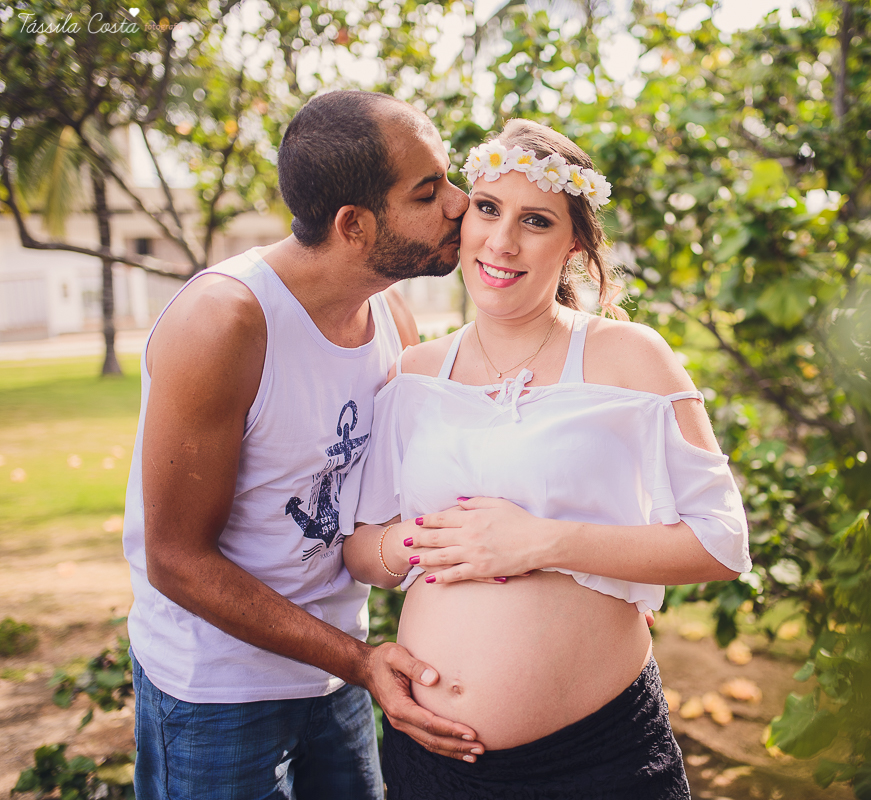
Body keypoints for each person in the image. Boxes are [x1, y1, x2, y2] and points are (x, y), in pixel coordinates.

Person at [347, 119, 752, 799]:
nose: (502, 241)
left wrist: (542, 542)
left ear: (574, 244)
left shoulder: (630, 358)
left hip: (597, 761)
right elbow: (362, 551)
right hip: (431, 758)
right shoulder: (415, 373)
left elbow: (722, 542)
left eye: (535, 220)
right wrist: (429, 540)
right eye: (487, 209)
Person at [121, 90, 487, 800]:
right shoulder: (224, 322)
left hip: (337, 675)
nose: (460, 203)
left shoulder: (391, 317)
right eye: (427, 191)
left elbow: (385, 510)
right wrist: (359, 660)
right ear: (354, 225)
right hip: (216, 694)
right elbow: (174, 559)